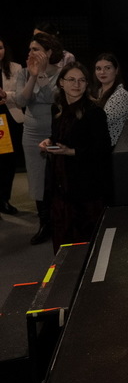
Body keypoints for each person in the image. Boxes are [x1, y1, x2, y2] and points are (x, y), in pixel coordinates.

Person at [40, 62, 112, 252]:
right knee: (62, 238)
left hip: (86, 186)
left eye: (81, 80)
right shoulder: (57, 108)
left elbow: (103, 149)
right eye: (71, 79)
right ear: (61, 82)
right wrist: (49, 142)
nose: (76, 84)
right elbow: (58, 136)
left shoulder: (94, 112)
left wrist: (71, 152)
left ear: (87, 84)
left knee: (86, 242)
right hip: (61, 184)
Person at [12, 32, 64, 244]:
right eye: (30, 49)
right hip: (31, 132)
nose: (31, 53)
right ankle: (45, 223)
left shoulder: (62, 73)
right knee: (36, 178)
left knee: (58, 175)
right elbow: (21, 101)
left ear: (49, 52)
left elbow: (54, 97)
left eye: (36, 50)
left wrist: (41, 74)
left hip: (56, 131)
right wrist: (32, 76)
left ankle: (60, 219)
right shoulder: (24, 73)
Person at [0, 35, 26, 216]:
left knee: (8, 163)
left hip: (10, 118)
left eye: (0, 48)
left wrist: (5, 95)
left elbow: (21, 95)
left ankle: (4, 200)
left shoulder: (16, 68)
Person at [91, 53, 128, 146]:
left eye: (107, 68)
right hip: (95, 143)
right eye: (98, 68)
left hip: (112, 147)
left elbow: (101, 123)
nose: (102, 72)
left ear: (116, 70)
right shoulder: (96, 92)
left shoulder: (121, 95)